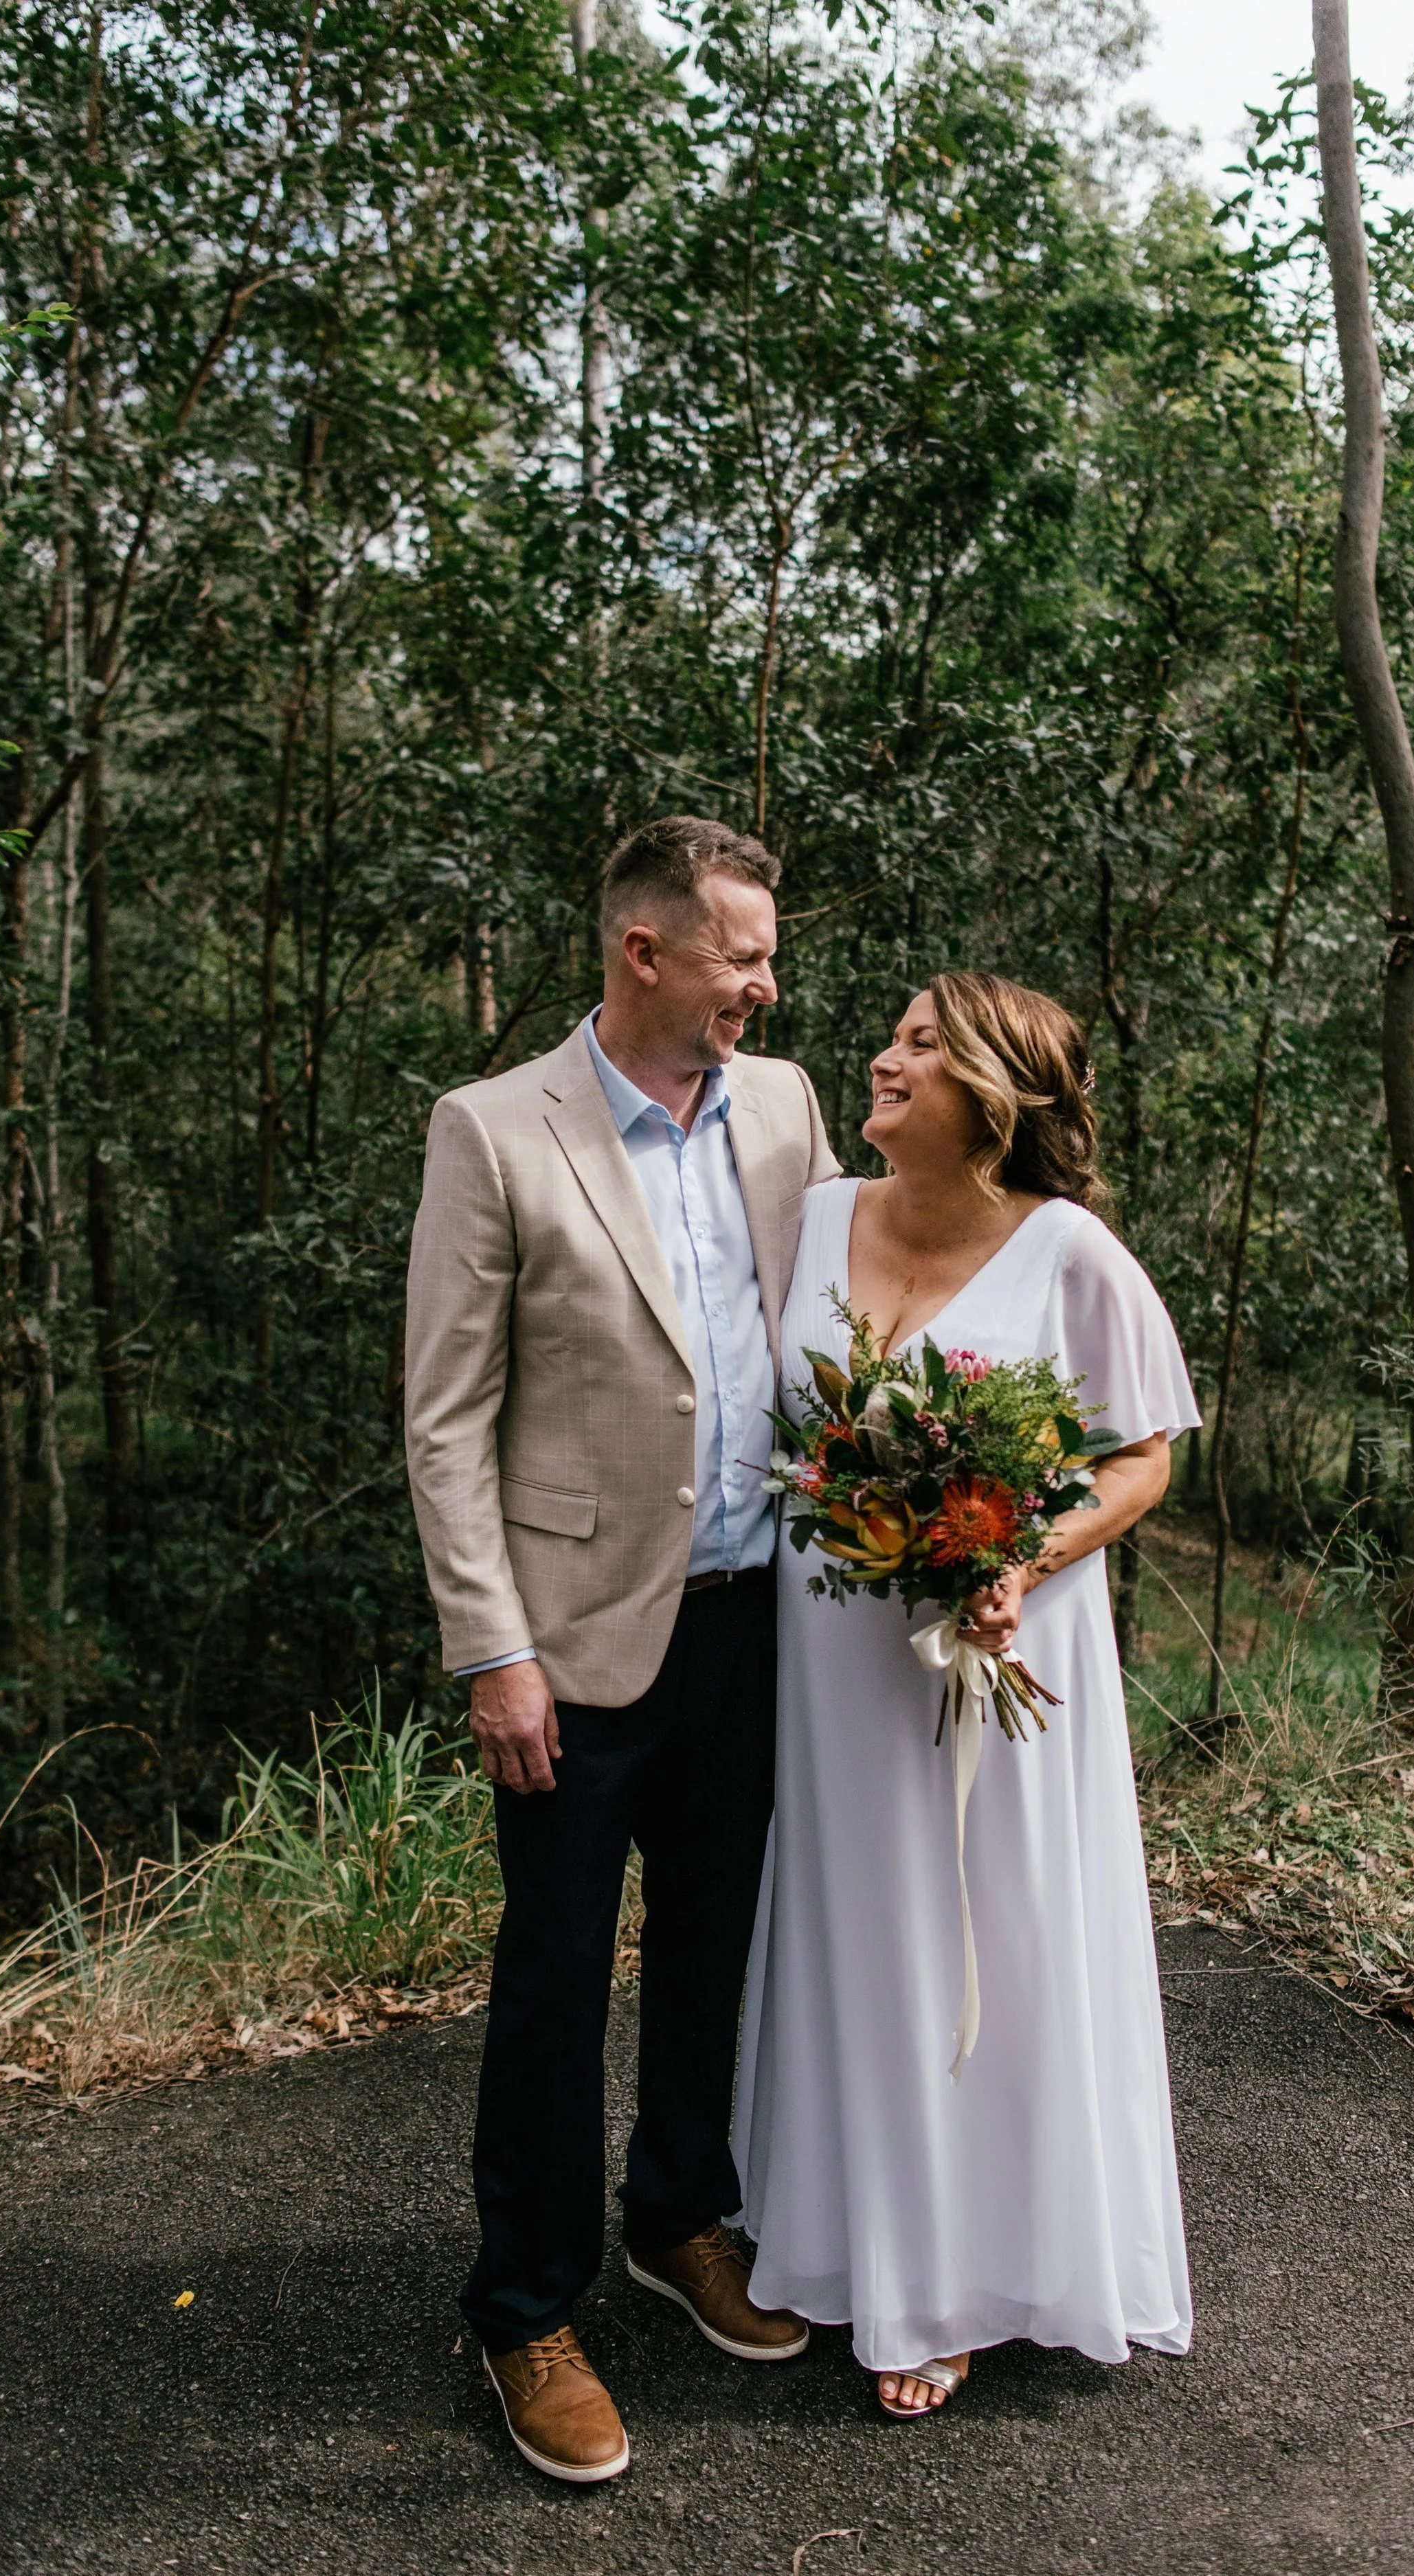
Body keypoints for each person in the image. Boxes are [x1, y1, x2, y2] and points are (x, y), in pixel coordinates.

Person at [404, 817, 838, 2484]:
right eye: (740, 953)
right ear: (642, 950)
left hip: (757, 1624)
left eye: (768, 955)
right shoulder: (494, 1130)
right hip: (573, 1646)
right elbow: (447, 1421)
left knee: (719, 1944)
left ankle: (682, 2218)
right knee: (555, 1977)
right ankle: (524, 2308)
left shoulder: (789, 1105)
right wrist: (489, 1649)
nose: (765, 982)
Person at [732, 969, 1198, 2418]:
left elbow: (1140, 1457)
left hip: (1003, 1645)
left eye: (921, 1047)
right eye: (894, 1034)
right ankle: (853, 2236)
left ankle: (967, 2277)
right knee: (860, 1922)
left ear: (993, 1096)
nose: (883, 1058)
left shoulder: (1067, 1253)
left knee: (994, 1925)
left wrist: (1017, 1555)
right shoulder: (810, 1217)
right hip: (832, 1651)